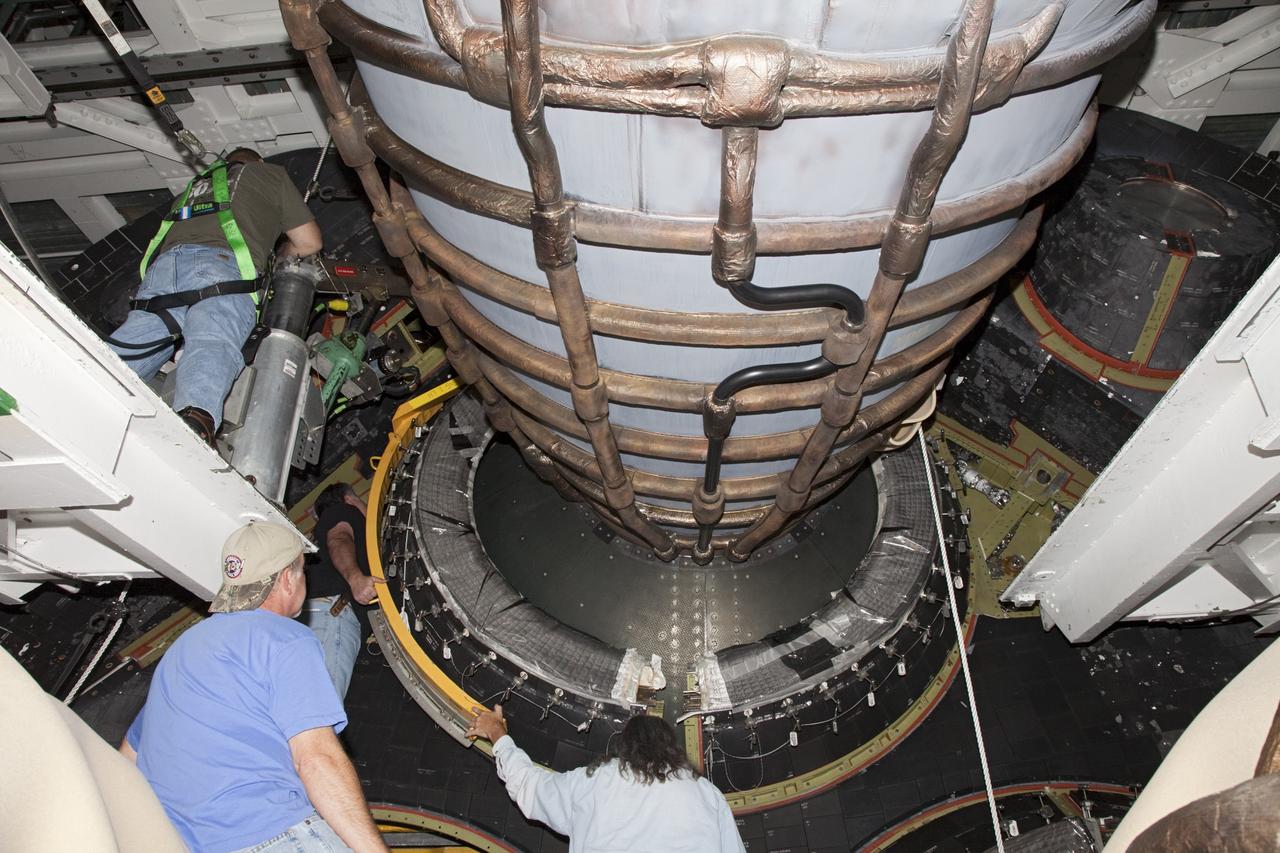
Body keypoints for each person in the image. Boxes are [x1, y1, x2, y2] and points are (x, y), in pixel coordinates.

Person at [120, 521, 388, 853]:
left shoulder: (181, 651)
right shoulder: (284, 638)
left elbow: (128, 758)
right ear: (288, 578)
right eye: (303, 572)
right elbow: (317, 758)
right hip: (275, 834)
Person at [107, 147, 323, 444]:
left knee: (145, 332)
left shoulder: (196, 186)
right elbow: (308, 242)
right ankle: (196, 421)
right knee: (213, 335)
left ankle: (94, 384)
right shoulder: (268, 174)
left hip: (165, 269)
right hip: (219, 267)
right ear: (257, 162)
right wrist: (283, 254)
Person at [467, 705, 746, 853]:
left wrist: (497, 734)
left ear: (625, 746)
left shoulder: (596, 782)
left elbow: (530, 787)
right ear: (671, 746)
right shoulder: (706, 794)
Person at [301, 482, 383, 699]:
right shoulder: (343, 511)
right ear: (348, 499)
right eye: (360, 500)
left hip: (322, 613)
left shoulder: (324, 528)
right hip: (334, 613)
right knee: (321, 708)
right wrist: (355, 578)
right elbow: (338, 539)